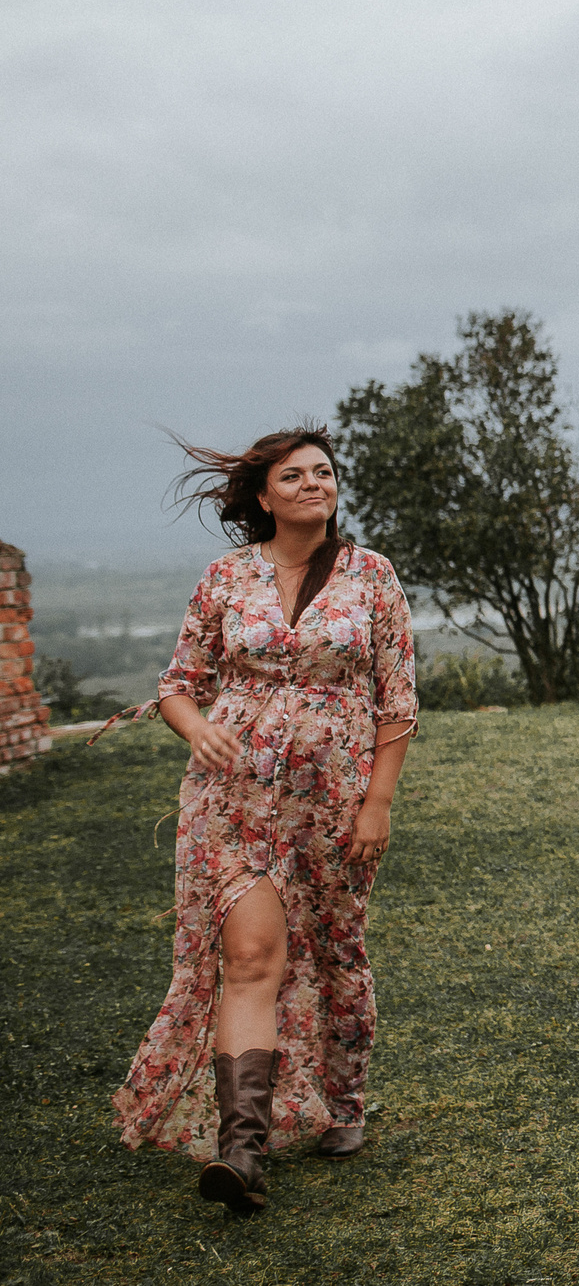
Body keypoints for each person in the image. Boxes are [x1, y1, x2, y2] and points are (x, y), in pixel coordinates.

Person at [104, 427, 417, 1213]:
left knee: (335, 947)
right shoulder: (226, 576)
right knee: (248, 958)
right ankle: (242, 1150)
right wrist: (196, 725)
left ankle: (343, 1101)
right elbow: (179, 682)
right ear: (265, 495)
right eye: (295, 474)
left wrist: (377, 802)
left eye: (324, 471)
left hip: (333, 803)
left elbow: (397, 702)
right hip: (234, 801)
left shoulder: (372, 577)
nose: (314, 482)